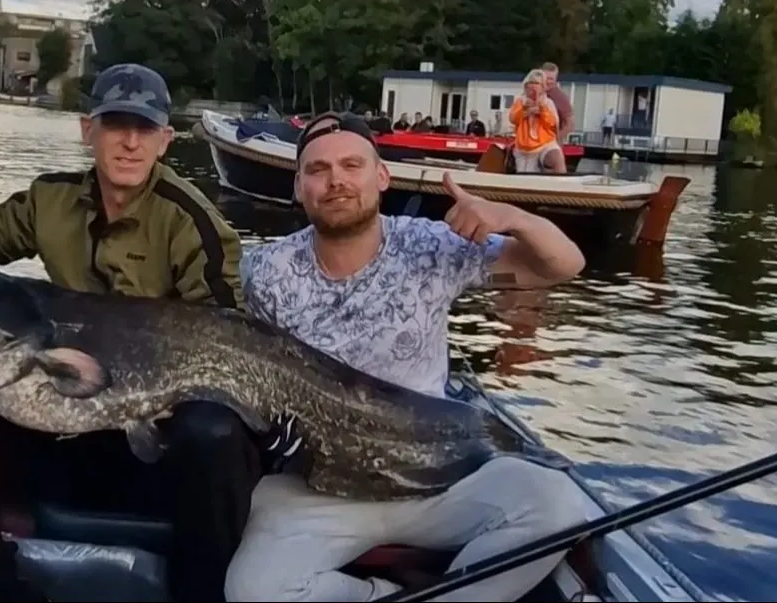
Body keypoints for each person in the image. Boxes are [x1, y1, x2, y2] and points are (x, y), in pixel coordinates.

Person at [0, 63, 262, 603]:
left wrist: (162, 393)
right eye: (117, 126)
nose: (130, 144)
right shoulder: (49, 199)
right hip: (60, 419)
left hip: (152, 442)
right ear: (88, 130)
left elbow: (229, 336)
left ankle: (200, 593)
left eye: (145, 130)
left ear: (165, 140)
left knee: (214, 434)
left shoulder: (194, 221)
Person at [224, 112, 587, 602]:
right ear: (298, 188)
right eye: (318, 169)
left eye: (352, 165)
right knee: (253, 594)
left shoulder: (429, 245)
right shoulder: (263, 271)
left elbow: (563, 265)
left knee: (559, 506)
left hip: (436, 472)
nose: (336, 180)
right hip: (317, 486)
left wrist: (513, 217)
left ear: (382, 177)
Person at [509, 69, 566, 173]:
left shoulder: (548, 103)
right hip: (525, 149)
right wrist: (525, 111)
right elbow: (513, 119)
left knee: (557, 158)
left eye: (537, 83)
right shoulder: (520, 102)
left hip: (545, 143)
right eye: (531, 83)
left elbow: (553, 123)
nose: (534, 86)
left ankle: (562, 185)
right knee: (526, 178)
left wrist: (542, 110)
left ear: (543, 86)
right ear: (526, 85)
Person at [540, 62, 574, 142]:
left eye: (551, 79)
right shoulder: (534, 93)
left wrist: (554, 140)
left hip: (549, 145)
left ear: (556, 79)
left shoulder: (560, 97)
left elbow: (570, 124)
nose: (548, 81)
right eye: (545, 78)